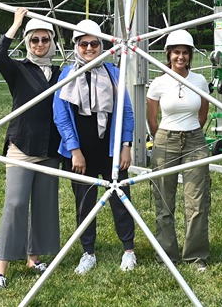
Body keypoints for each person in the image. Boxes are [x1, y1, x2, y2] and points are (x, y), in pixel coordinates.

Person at [0, 8, 64, 292]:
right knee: (16, 203)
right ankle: (0, 269)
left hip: (49, 148)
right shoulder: (18, 70)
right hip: (22, 145)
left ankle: (34, 259)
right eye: (34, 40)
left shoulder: (60, 73)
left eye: (45, 39)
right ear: (27, 42)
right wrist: (16, 25)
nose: (40, 44)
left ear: (52, 42)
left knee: (44, 205)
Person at [54, 19, 138, 274]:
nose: (89, 48)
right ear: (76, 46)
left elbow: (127, 112)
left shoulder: (113, 72)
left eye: (94, 43)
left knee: (121, 200)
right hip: (80, 153)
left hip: (110, 151)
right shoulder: (67, 75)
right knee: (84, 203)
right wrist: (74, 150)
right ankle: (88, 252)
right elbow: (61, 115)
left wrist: (126, 145)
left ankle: (129, 250)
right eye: (84, 44)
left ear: (101, 45)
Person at [146, 29, 211, 271]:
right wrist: (163, 137)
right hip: (165, 140)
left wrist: (192, 131)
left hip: (195, 139)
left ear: (190, 55)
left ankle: (195, 256)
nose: (180, 57)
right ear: (168, 54)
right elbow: (152, 118)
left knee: (197, 200)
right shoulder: (159, 83)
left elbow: (203, 112)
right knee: (164, 200)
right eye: (176, 52)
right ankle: (166, 255)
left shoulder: (199, 81)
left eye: (185, 53)